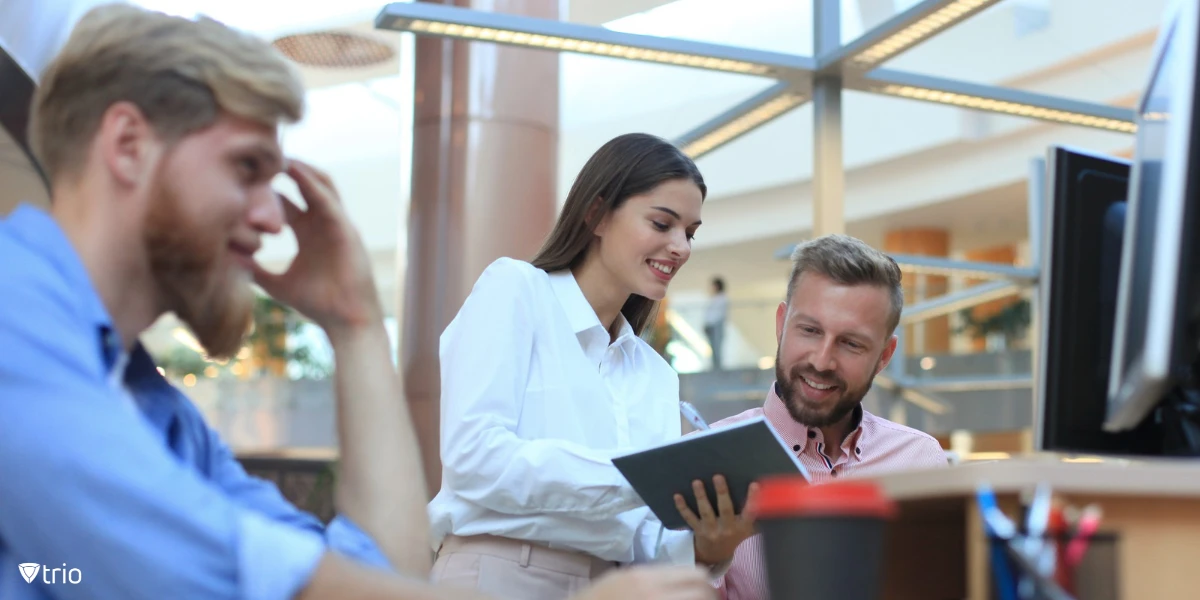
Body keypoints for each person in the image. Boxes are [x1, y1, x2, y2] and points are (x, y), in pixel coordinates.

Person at [0, 6, 719, 600]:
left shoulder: (155, 409)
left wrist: (354, 326)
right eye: (247, 169)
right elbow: (221, 566)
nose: (272, 217)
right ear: (127, 143)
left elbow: (378, 567)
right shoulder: (14, 320)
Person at [429, 133, 756, 599]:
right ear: (597, 213)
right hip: (501, 574)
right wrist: (644, 476)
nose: (681, 247)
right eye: (663, 223)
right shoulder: (517, 290)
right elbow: (475, 459)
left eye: (690, 232)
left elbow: (642, 536)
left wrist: (706, 544)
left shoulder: (656, 374)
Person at [707, 235, 950, 600]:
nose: (822, 361)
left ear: (884, 356)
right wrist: (708, 557)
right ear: (781, 324)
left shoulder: (921, 462)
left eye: (851, 343)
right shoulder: (711, 457)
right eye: (810, 330)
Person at [704, 276, 729, 370]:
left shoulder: (723, 298)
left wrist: (712, 323)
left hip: (717, 325)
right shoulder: (713, 298)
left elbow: (718, 314)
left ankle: (718, 368)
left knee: (717, 346)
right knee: (713, 347)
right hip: (711, 325)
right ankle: (715, 367)